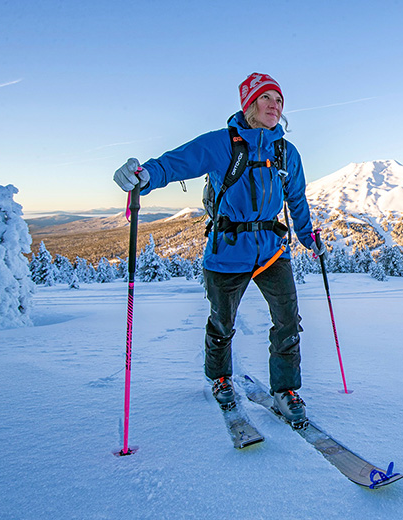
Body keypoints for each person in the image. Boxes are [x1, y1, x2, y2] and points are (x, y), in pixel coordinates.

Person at [113, 73, 324, 426]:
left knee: (287, 321)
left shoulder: (286, 151)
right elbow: (177, 162)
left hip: (273, 250)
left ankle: (285, 390)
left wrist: (307, 236)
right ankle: (220, 377)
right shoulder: (221, 144)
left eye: (279, 100)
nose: (275, 105)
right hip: (227, 250)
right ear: (249, 104)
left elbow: (297, 199)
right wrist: (144, 175)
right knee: (222, 322)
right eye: (266, 98)